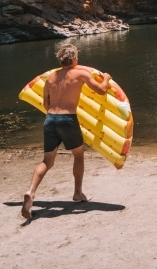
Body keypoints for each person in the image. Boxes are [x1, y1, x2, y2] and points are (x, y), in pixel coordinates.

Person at [21, 42, 110, 219]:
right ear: (75, 58)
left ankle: (31, 192)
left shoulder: (51, 77)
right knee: (78, 155)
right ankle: (78, 193)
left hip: (50, 120)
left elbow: (46, 104)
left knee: (47, 160)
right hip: (68, 120)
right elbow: (101, 90)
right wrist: (107, 77)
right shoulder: (80, 74)